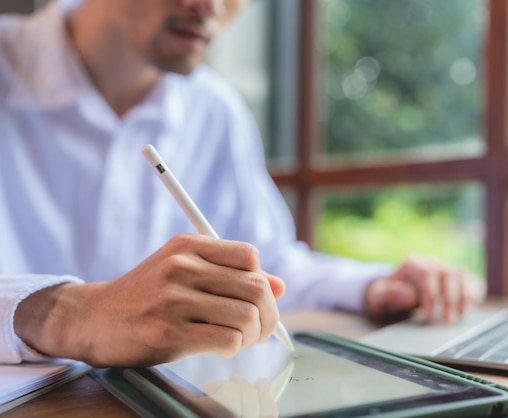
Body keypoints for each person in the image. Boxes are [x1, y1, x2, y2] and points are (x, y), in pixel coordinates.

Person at [0, 0, 478, 367]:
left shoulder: (215, 109)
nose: (212, 5)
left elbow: (266, 263)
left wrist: (374, 286)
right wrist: (67, 313)